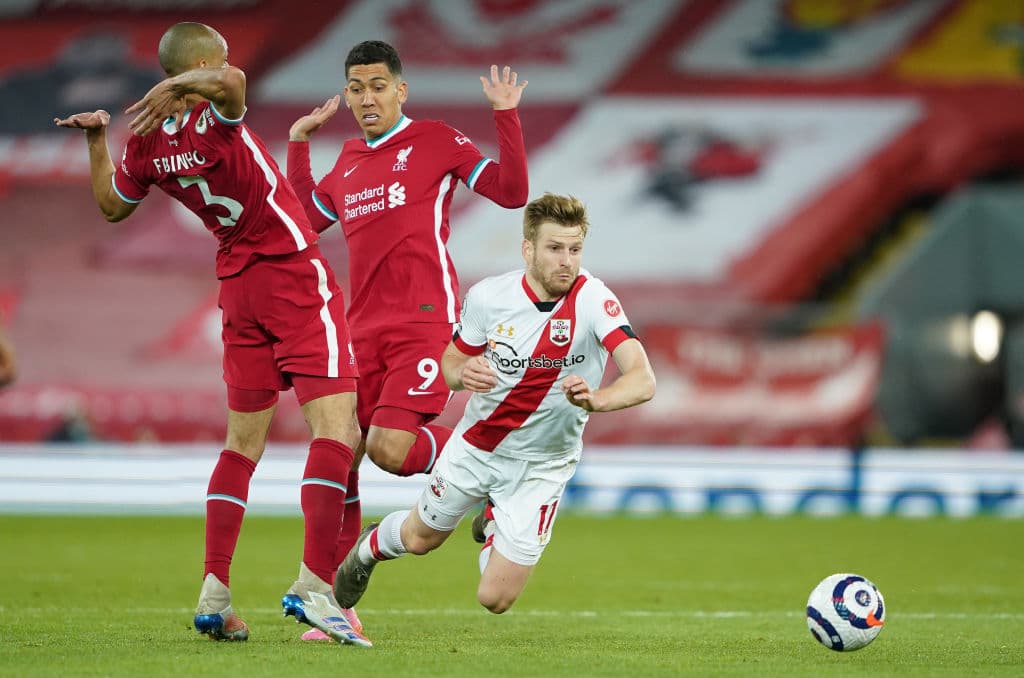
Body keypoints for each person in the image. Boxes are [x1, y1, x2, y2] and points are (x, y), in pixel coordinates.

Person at [55, 22, 369, 647]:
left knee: (239, 447)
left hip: (236, 286)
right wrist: (190, 81)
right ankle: (314, 586)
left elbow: (113, 206)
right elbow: (234, 81)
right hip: (290, 273)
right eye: (216, 59)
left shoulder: (144, 143)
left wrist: (98, 141)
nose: (226, 67)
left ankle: (215, 593)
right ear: (201, 64)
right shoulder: (214, 119)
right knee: (338, 428)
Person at [286, 39, 529, 634]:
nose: (366, 98)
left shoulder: (437, 141)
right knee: (345, 459)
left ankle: (495, 477)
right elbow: (300, 224)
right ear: (346, 95)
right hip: (359, 331)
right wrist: (297, 146)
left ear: (401, 90)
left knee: (392, 449)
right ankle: (335, 611)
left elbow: (511, 192)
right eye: (356, 88)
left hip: (422, 321)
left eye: (377, 86)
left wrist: (505, 113)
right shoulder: (345, 161)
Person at [332, 193, 656, 616]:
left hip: (544, 465)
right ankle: (368, 549)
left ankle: (493, 521)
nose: (566, 261)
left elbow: (643, 378)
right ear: (528, 249)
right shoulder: (489, 297)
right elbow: (451, 361)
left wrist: (600, 398)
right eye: (555, 248)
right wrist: (463, 373)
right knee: (419, 540)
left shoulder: (594, 300)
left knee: (495, 599)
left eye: (574, 249)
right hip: (477, 449)